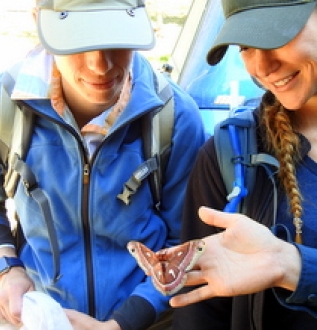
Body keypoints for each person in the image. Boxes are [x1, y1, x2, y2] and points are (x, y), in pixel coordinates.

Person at [172, 0, 317, 329]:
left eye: (277, 35)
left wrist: (292, 266)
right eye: (245, 46)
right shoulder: (230, 156)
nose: (263, 65)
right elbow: (200, 315)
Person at [0, 1, 205, 329]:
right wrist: (7, 267)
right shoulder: (5, 106)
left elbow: (186, 245)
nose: (101, 65)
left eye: (117, 38)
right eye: (78, 39)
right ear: (40, 25)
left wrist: (126, 322)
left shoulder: (176, 120)